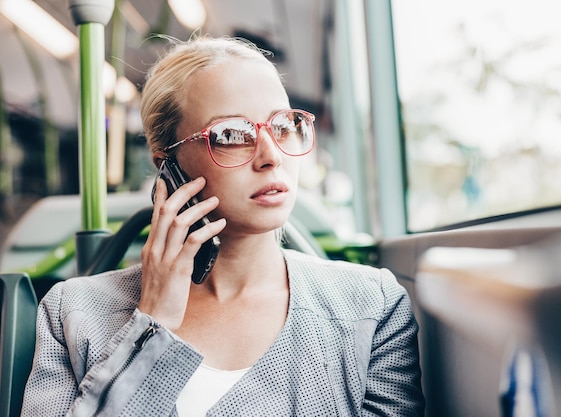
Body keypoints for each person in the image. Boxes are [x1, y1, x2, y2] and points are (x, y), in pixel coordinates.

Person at [21, 35, 425, 416]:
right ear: (169, 164)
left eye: (283, 126)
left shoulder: (371, 307)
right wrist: (152, 325)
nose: (271, 156)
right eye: (232, 134)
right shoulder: (73, 313)